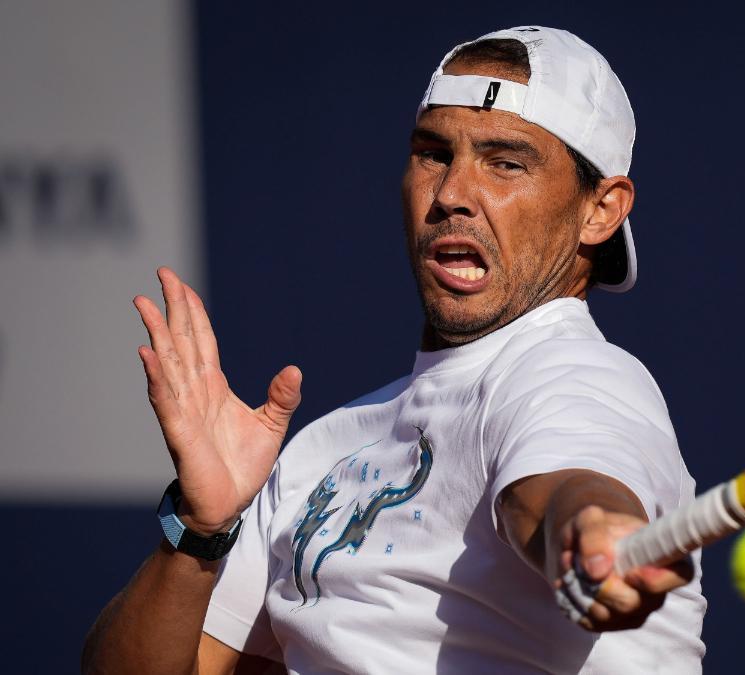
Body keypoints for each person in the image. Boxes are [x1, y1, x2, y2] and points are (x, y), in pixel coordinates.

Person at [83, 26, 705, 674]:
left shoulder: (574, 375)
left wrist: (588, 529)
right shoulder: (317, 451)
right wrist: (200, 527)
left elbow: (563, 488)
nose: (452, 195)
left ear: (601, 209)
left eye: (505, 162)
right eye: (434, 153)